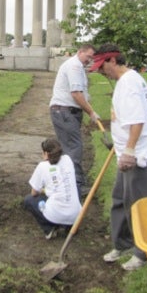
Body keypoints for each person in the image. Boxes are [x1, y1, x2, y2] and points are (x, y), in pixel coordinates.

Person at [89, 43, 147, 271]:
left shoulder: (130, 83)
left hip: (140, 154)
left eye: (102, 66)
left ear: (113, 60)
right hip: (128, 151)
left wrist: (130, 151)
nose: (101, 71)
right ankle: (122, 244)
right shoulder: (126, 81)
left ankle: (142, 254)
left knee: (138, 205)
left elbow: (137, 121)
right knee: (120, 199)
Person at [49, 43, 99, 195]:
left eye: (91, 58)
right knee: (74, 148)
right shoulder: (74, 67)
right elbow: (76, 94)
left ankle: (65, 181)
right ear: (80, 52)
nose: (89, 60)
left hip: (66, 112)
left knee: (69, 148)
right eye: (88, 56)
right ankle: (77, 186)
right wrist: (91, 112)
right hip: (64, 111)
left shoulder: (78, 67)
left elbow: (82, 93)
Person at [23, 138, 82, 239]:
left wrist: (44, 190)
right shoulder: (67, 159)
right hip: (76, 215)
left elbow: (34, 193)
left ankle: (49, 228)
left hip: (55, 213)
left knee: (29, 200)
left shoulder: (42, 166)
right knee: (75, 187)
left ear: (45, 153)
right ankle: (71, 227)